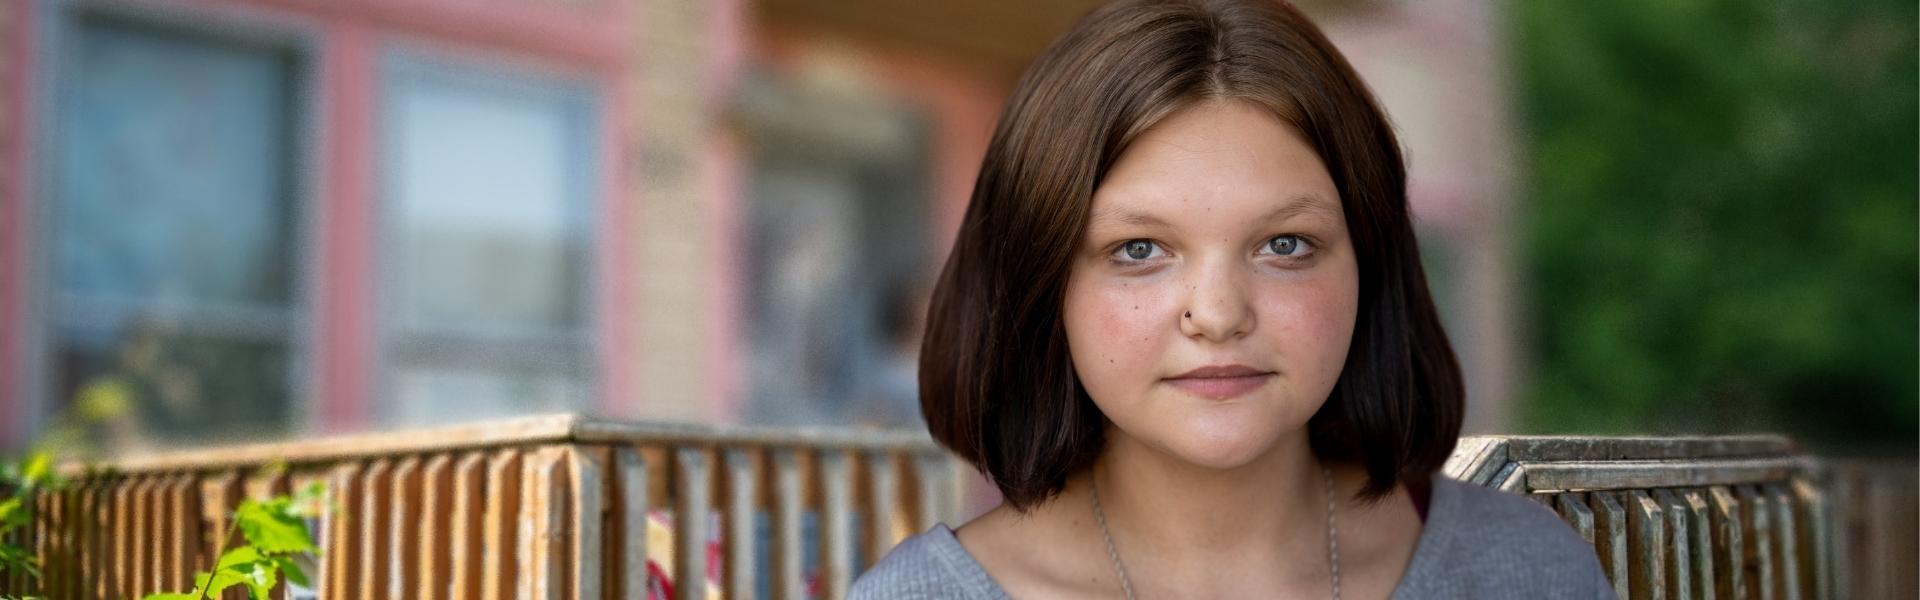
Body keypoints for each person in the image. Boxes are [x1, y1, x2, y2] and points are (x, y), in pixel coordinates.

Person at [849, 0, 1615, 598]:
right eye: (1138, 250)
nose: (1217, 315)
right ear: (1041, 282)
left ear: (1370, 264)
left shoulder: (1528, 573)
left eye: (1284, 245)